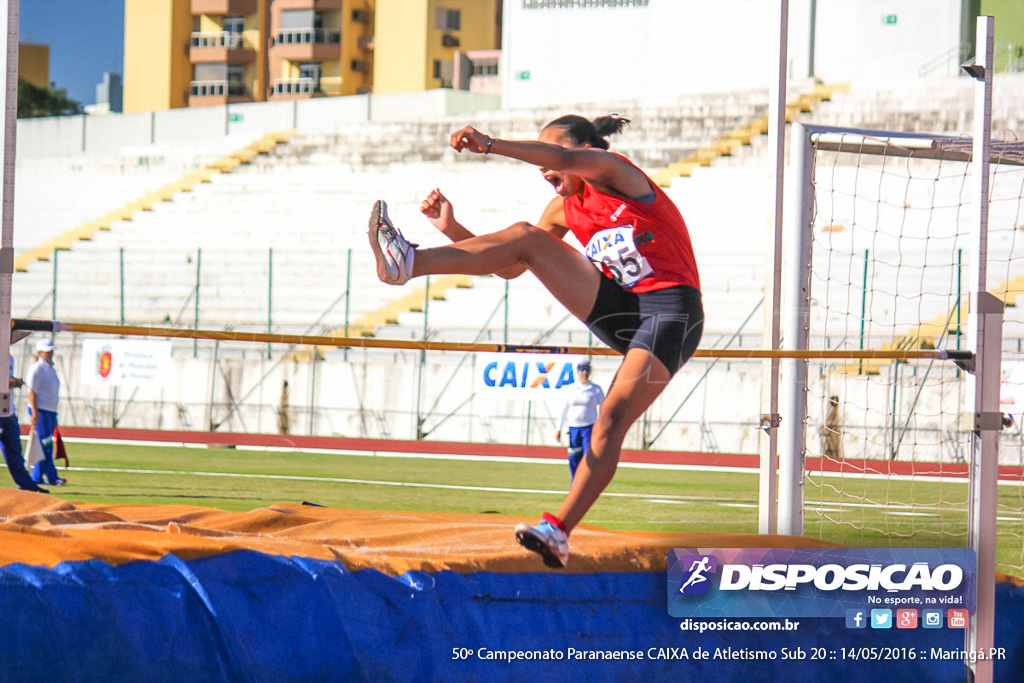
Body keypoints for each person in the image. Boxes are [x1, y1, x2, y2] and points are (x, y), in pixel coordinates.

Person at [368, 114, 703, 568]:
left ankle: (558, 530)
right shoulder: (562, 209)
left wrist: (490, 145)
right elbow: (510, 265)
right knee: (527, 237)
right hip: (622, 311)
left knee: (610, 419)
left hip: (671, 312)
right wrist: (452, 228)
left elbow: (562, 158)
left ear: (586, 152)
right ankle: (408, 262)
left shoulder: (614, 172)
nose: (545, 169)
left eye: (551, 156)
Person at [0, 354, 47, 493]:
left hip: (8, 411)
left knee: (14, 451)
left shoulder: (9, 357)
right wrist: (11, 383)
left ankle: (27, 485)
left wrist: (13, 382)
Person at [556, 360, 605, 482]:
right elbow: (563, 409)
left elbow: (603, 407)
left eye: (587, 370)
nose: (584, 373)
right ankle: (575, 481)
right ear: (577, 372)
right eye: (582, 370)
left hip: (589, 427)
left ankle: (587, 482)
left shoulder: (595, 389)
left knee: (588, 456)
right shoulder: (571, 388)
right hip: (574, 428)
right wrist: (558, 428)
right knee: (573, 457)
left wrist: (602, 426)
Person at [26, 338, 65, 486]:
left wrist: (54, 415)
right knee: (44, 446)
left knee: (47, 444)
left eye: (51, 351)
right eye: (47, 351)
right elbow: (32, 392)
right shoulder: (36, 368)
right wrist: (35, 414)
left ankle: (48, 477)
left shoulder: (50, 369)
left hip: (50, 410)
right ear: (40, 352)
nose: (50, 354)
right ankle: (40, 477)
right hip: (41, 410)